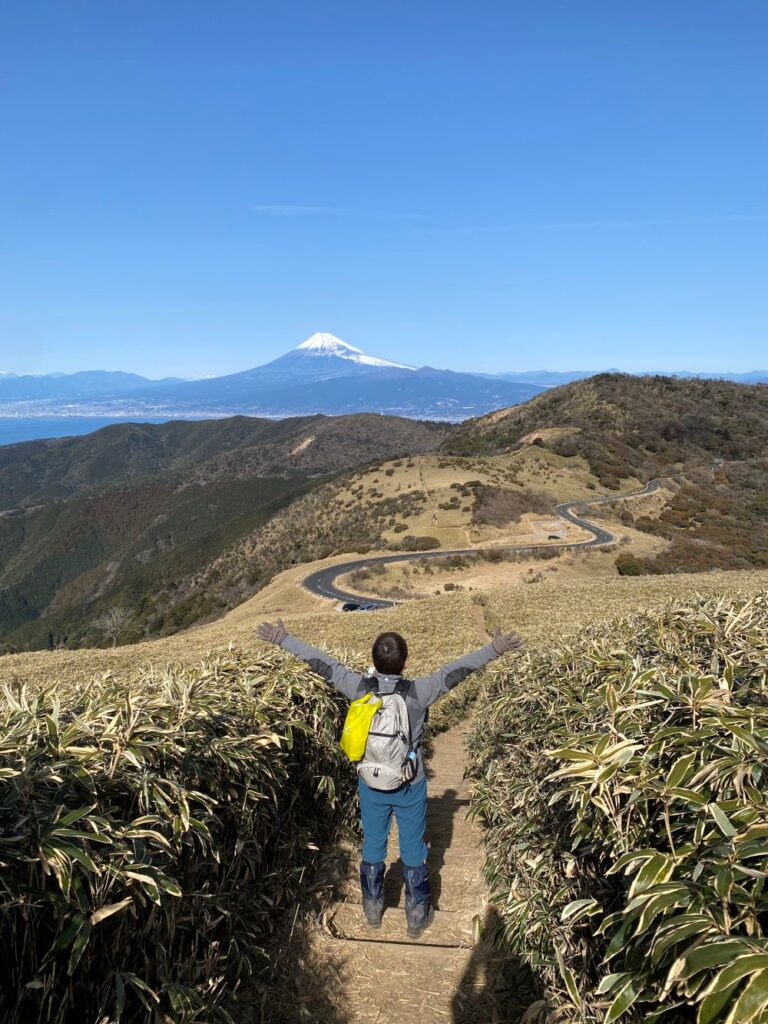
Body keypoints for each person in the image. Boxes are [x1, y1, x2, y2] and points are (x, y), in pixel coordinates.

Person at [255, 618, 524, 938]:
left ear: (373, 661)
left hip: (371, 784)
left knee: (373, 845)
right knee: (413, 850)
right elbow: (457, 671)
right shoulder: (418, 693)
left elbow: (322, 664)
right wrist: (496, 648)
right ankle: (416, 915)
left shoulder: (357, 688)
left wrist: (283, 638)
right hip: (410, 784)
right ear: (405, 663)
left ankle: (372, 909)